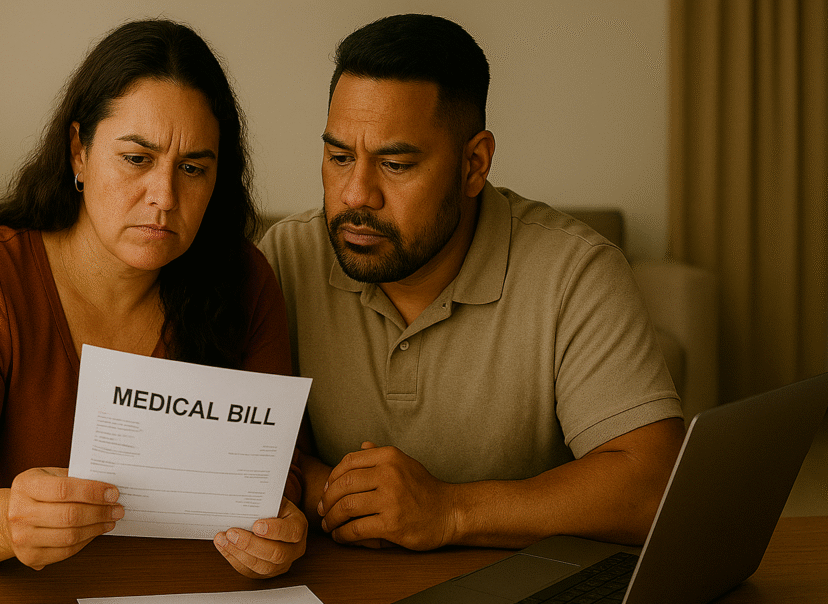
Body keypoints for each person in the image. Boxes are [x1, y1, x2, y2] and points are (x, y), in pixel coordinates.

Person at [0, 19, 306, 578]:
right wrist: (6, 518)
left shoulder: (245, 279)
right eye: (136, 158)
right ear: (79, 152)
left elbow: (281, 470)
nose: (164, 197)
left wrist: (280, 528)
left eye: (193, 168)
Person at [258, 14, 686, 552]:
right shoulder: (285, 256)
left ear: (474, 164)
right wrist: (343, 496)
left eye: (395, 164)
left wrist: (450, 511)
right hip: (331, 590)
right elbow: (247, 450)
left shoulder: (573, 270)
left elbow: (655, 486)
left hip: (523, 601)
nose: (355, 194)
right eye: (339, 157)